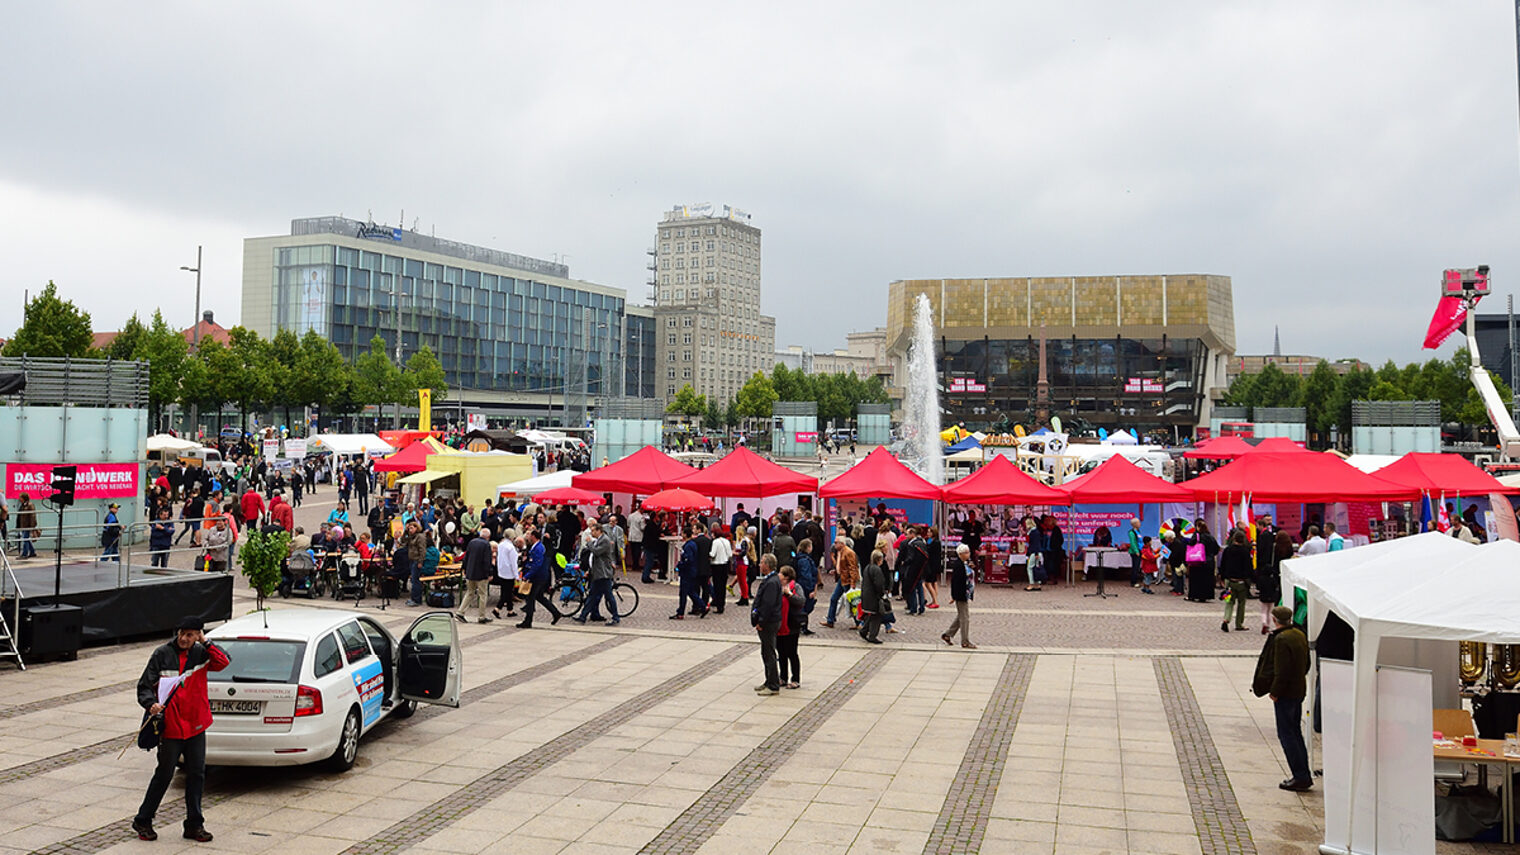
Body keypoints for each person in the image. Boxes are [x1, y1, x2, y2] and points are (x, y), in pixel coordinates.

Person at [133, 617, 230, 842]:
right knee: (164, 774)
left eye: (190, 635)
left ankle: (194, 825)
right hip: (171, 727)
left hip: (196, 725)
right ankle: (143, 819)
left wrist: (206, 642)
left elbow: (224, 661)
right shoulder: (161, 654)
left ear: (198, 635)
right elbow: (144, 686)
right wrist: (151, 704)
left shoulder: (202, 653)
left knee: (197, 774)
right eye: (182, 634)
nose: (184, 639)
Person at [1253, 604, 1312, 791]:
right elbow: (1307, 664)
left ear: (1275, 620)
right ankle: (1303, 773)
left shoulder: (1281, 639)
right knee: (1295, 732)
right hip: (1298, 690)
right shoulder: (1299, 634)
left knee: (1287, 734)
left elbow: (1281, 670)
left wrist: (1275, 692)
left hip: (1286, 693)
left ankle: (1300, 776)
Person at [750, 553, 783, 695]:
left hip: (769, 622)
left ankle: (774, 685)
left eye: (762, 562)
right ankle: (769, 680)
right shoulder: (771, 580)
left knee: (769, 652)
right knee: (765, 652)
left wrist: (761, 621)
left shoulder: (771, 582)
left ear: (767, 565)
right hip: (769, 621)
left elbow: (768, 605)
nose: (759, 565)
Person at [576, 521, 619, 625]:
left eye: (593, 531)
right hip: (597, 573)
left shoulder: (604, 540)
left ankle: (616, 617)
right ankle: (583, 616)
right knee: (592, 595)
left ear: (599, 531)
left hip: (603, 574)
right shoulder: (599, 539)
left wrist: (589, 542)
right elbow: (593, 558)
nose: (591, 533)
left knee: (608, 596)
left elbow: (596, 552)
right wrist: (589, 571)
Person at [517, 530, 563, 628]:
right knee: (539, 597)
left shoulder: (538, 548)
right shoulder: (535, 547)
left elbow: (536, 564)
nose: (528, 538)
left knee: (530, 598)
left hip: (537, 577)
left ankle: (528, 620)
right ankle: (555, 613)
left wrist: (527, 576)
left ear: (534, 536)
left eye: (529, 535)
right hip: (537, 575)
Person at [940, 543, 976, 649]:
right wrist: (954, 596)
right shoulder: (958, 565)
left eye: (968, 552)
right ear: (960, 554)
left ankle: (947, 635)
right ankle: (965, 641)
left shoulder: (964, 563)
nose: (968, 554)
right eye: (966, 552)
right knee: (965, 618)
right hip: (961, 594)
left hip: (965, 593)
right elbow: (955, 582)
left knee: (961, 616)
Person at [1218, 529, 1254, 632]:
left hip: (1229, 580)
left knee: (1229, 602)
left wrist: (1222, 577)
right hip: (1241, 581)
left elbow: (1223, 564)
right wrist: (1250, 578)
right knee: (1241, 603)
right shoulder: (1245, 552)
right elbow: (1248, 567)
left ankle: (1226, 619)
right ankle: (1239, 624)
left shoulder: (1228, 550)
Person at [456, 529, 494, 624]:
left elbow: (466, 557)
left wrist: (464, 568)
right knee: (482, 595)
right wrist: (489, 573)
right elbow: (487, 561)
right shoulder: (486, 545)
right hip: (481, 574)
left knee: (470, 592)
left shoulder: (472, 542)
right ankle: (481, 616)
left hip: (470, 572)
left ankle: (460, 612)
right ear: (488, 537)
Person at [777, 566, 804, 689]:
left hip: (792, 624)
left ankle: (795, 679)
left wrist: (789, 595)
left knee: (792, 653)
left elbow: (801, 602)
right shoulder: (777, 587)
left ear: (787, 577)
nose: (778, 575)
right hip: (780, 624)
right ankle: (782, 677)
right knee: (781, 652)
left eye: (781, 573)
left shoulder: (796, 587)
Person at [824, 539, 859, 629]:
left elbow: (853, 568)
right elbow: (842, 566)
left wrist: (852, 582)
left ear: (842, 544)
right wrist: (836, 571)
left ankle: (859, 622)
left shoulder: (848, 552)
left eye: (836, 542)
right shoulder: (840, 552)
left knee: (852, 601)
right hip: (842, 579)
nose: (834, 544)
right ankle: (830, 620)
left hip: (847, 580)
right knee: (834, 599)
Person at [671, 527, 703, 620]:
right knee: (690, 591)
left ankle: (681, 612)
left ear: (685, 534)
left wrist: (679, 565)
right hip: (691, 571)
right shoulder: (693, 544)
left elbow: (688, 559)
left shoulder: (688, 546)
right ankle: (702, 606)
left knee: (684, 593)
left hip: (687, 572)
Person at [858, 549, 888, 644]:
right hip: (873, 596)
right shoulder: (877, 570)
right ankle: (872, 636)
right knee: (876, 616)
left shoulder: (867, 567)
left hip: (866, 595)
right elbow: (879, 584)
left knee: (871, 615)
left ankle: (864, 631)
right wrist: (881, 593)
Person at [1185, 520, 1219, 603]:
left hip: (1197, 561)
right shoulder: (1211, 537)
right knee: (1207, 580)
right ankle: (1205, 596)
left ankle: (1193, 595)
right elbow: (1216, 549)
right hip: (1209, 562)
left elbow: (1190, 544)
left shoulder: (1197, 536)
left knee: (1195, 579)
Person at [493, 535, 520, 620]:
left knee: (506, 591)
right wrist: (517, 575)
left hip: (502, 571)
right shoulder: (511, 548)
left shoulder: (500, 545)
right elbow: (513, 563)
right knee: (507, 592)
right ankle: (497, 608)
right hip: (509, 573)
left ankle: (510, 610)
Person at [708, 524, 733, 616]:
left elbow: (712, 554)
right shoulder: (726, 541)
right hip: (725, 565)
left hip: (716, 565)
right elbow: (730, 554)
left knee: (717, 586)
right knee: (723, 586)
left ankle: (718, 605)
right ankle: (722, 603)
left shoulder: (715, 542)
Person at [922, 526, 943, 609]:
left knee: (928, 583)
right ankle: (934, 600)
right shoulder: (935, 542)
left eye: (929, 532)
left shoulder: (935, 543)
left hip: (932, 565)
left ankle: (935, 600)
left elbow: (929, 552)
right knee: (933, 582)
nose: (928, 533)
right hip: (934, 565)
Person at [16, 493, 38, 559]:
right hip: (23, 525)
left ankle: (24, 554)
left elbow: (32, 516)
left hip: (27, 525)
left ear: (24, 498)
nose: (19, 499)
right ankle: (32, 552)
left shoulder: (30, 505)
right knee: (26, 539)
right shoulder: (22, 505)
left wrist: (32, 526)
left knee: (25, 539)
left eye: (20, 497)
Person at [1126, 518, 1143, 587]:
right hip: (1135, 552)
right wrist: (1136, 551)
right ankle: (1133, 582)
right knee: (1135, 567)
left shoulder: (1138, 531)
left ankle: (1136, 580)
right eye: (1138, 522)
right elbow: (1133, 543)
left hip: (1140, 550)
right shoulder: (1131, 532)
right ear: (1135, 524)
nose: (1140, 524)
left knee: (1138, 566)